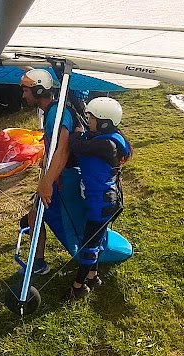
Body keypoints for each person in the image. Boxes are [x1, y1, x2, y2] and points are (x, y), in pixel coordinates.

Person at [65, 97, 132, 299]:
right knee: (95, 240)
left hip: (102, 203)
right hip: (103, 201)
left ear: (104, 122)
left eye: (91, 118)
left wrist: (76, 133)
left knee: (89, 246)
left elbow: (77, 146)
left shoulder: (106, 144)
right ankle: (93, 277)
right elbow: (87, 132)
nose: (88, 122)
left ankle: (78, 287)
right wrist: (75, 103)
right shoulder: (109, 137)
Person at [18, 69, 75, 275]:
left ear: (39, 90)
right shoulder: (51, 112)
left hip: (63, 178)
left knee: (38, 216)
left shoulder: (56, 115)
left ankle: (40, 263)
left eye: (26, 90)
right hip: (57, 174)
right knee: (34, 216)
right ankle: (39, 261)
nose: (23, 95)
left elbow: (63, 149)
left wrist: (47, 182)